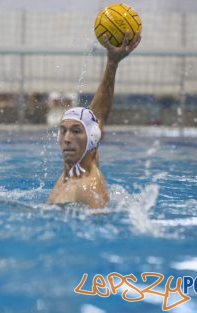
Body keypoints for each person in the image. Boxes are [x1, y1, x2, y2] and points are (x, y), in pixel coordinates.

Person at [48, 31, 141, 208]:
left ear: (93, 140)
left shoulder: (87, 187)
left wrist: (112, 64)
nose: (67, 138)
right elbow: (96, 114)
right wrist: (112, 62)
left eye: (76, 131)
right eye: (63, 131)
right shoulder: (72, 174)